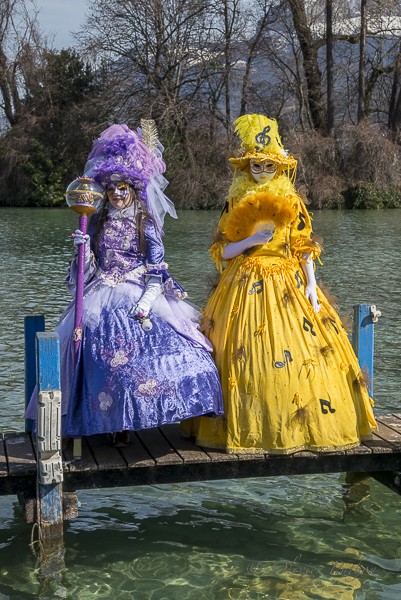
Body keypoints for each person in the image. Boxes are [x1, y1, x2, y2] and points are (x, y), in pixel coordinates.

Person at [181, 114, 377, 454]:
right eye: (256, 164)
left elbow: (304, 248)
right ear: (246, 166)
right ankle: (245, 427)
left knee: (306, 359)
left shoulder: (293, 202)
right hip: (241, 284)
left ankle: (301, 427)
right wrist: (251, 240)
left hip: (288, 283)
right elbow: (223, 251)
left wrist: (312, 285)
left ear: (279, 166)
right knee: (240, 357)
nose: (261, 170)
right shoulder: (235, 202)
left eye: (268, 165)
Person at [25, 122, 223, 445]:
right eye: (112, 188)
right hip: (100, 292)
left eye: (123, 188)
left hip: (138, 292)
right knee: (92, 350)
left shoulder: (146, 223)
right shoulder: (98, 220)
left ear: (133, 189)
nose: (116, 194)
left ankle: (128, 424)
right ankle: (100, 419)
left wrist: (145, 303)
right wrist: (83, 249)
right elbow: (86, 272)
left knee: (157, 353)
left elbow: (157, 271)